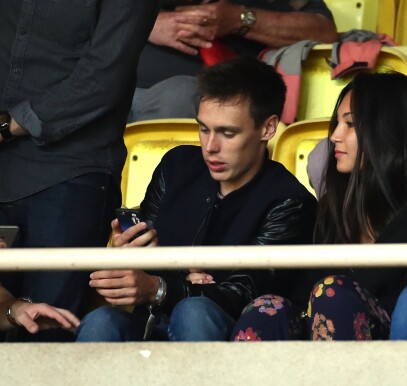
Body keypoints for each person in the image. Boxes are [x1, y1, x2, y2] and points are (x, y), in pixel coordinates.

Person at [76, 57, 317, 343]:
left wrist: (160, 288)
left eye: (228, 133)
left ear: (267, 128)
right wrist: (128, 252)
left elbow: (245, 294)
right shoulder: (177, 164)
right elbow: (149, 261)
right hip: (154, 323)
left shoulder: (290, 201)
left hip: (231, 336)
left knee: (195, 311)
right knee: (101, 321)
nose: (211, 147)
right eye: (204, 129)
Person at [231, 72, 407, 341]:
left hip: (391, 350)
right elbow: (300, 294)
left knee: (333, 292)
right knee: (265, 309)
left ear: (387, 129)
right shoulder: (336, 204)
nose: (335, 136)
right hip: (318, 339)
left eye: (350, 124)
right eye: (337, 123)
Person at [0, 1, 159, 341]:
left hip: (69, 173)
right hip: (10, 168)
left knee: (46, 334)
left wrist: (8, 124)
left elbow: (104, 76)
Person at [129, 0, 338, 122]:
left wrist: (240, 19)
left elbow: (323, 30)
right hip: (131, 91)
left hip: (234, 100)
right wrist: (146, 24)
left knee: (183, 96)